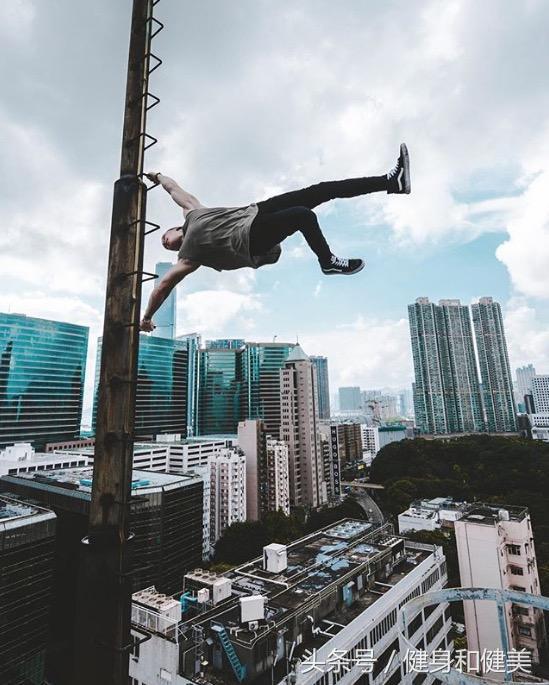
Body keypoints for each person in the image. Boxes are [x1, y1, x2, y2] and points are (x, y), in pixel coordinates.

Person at [139, 143, 411, 332]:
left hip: (256, 211)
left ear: (175, 228)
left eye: (165, 236)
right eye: (165, 246)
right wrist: (147, 317)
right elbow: (162, 287)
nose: (165, 242)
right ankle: (327, 262)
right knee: (302, 215)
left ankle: (390, 182)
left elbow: (173, 187)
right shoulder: (188, 258)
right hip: (250, 240)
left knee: (322, 190)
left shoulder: (193, 212)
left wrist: (157, 175)